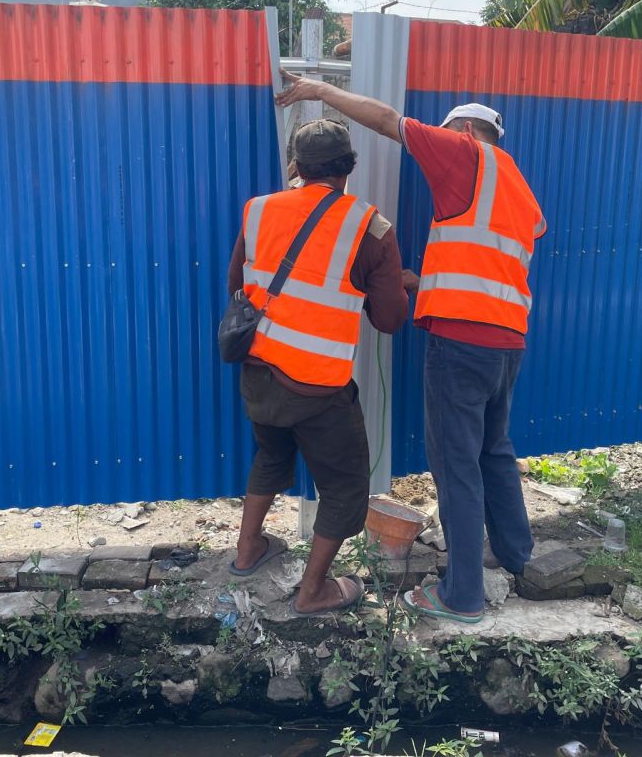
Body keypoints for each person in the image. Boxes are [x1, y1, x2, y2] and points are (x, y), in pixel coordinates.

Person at [275, 72, 547, 624]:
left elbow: (386, 121)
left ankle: (463, 595)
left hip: (462, 343)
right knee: (493, 449)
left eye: (448, 133)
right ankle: (515, 553)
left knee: (456, 465)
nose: (438, 147)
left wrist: (321, 92)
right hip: (506, 341)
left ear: (467, 129)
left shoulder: (466, 150)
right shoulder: (517, 186)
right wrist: (423, 283)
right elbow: (488, 264)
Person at [227, 119, 409, 616]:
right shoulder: (372, 228)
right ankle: (313, 592)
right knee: (346, 488)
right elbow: (390, 318)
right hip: (319, 390)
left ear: (297, 168)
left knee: (270, 457)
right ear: (349, 167)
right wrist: (389, 281)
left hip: (260, 371)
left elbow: (236, 284)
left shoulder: (259, 209)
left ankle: (248, 553)